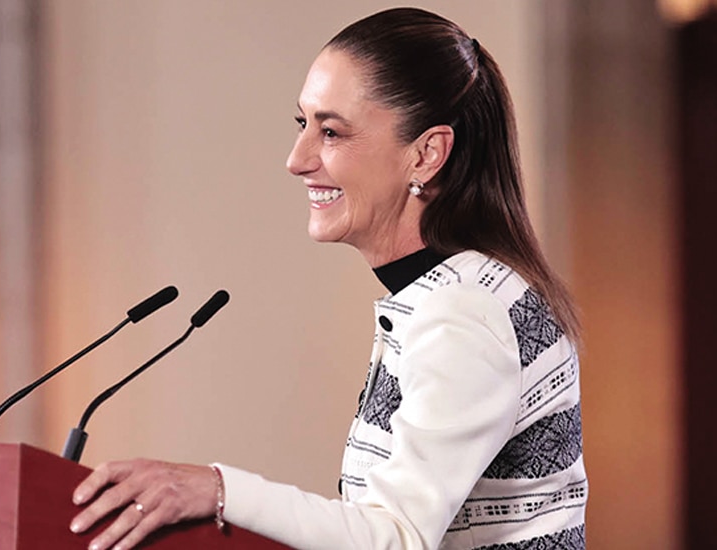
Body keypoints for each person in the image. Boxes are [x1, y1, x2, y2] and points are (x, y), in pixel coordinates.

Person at [68, 7, 587, 549]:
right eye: (303, 124)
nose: (297, 160)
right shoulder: (457, 294)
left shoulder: (465, 313)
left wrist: (219, 490)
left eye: (332, 132)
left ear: (426, 154)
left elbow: (395, 538)